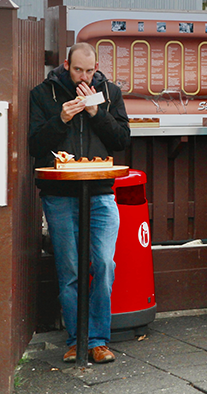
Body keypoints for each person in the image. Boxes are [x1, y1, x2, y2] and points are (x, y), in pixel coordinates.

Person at [28, 43, 131, 364]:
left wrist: (96, 113)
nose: (83, 77)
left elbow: (122, 140)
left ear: (96, 67)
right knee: (70, 269)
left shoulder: (110, 93)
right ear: (66, 65)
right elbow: (35, 145)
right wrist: (61, 118)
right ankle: (76, 340)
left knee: (103, 264)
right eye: (77, 71)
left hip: (100, 191)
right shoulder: (44, 93)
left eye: (89, 71)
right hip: (59, 194)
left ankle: (98, 340)